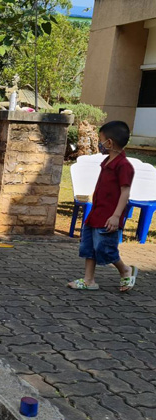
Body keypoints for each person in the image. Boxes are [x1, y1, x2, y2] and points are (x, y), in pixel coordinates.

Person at [68, 121, 138, 292]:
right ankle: (89, 280)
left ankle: (125, 270)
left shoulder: (123, 166)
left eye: (101, 140)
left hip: (109, 216)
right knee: (88, 247)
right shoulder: (107, 162)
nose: (100, 143)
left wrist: (116, 216)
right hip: (96, 213)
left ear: (110, 142)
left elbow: (125, 192)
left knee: (105, 248)